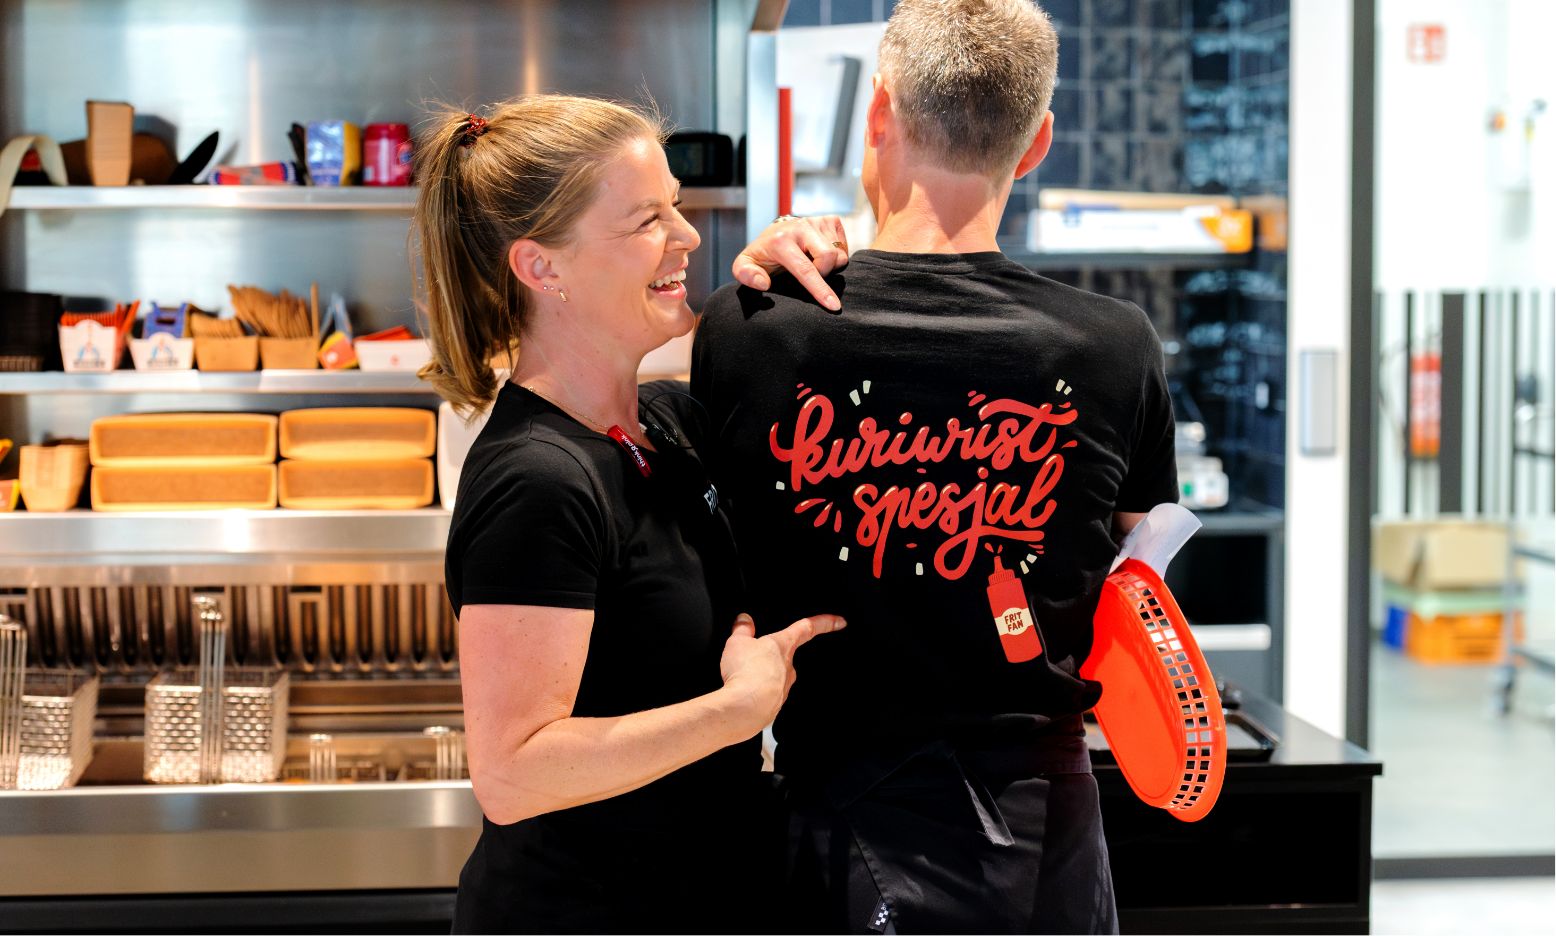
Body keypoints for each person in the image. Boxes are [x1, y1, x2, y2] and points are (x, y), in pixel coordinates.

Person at [692, 1, 1179, 932]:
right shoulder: (1118, 346)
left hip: (835, 823)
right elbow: (1140, 579)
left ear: (879, 114)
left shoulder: (749, 327)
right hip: (1047, 834)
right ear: (1035, 145)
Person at [414, 95, 850, 933]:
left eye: (678, 208)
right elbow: (510, 773)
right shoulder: (538, 481)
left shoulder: (668, 425)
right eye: (648, 219)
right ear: (542, 268)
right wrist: (735, 712)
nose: (687, 237)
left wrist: (782, 276)